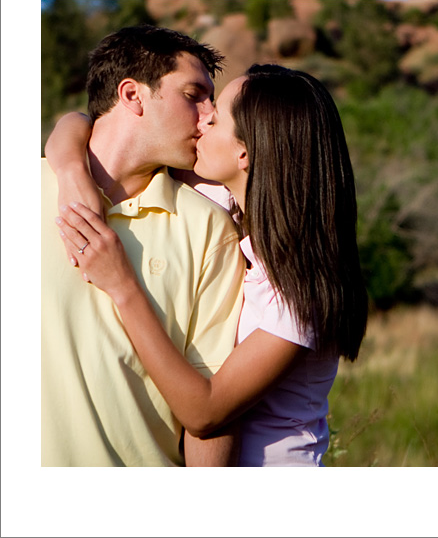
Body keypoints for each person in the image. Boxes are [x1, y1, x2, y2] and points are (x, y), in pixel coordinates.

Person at [48, 64, 369, 466]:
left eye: (214, 118)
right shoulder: (229, 206)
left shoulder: (299, 292)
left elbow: (205, 413)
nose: (201, 122)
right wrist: (70, 169)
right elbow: (83, 122)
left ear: (244, 153)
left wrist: (123, 286)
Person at [42, 25, 245, 466]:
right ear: (132, 95)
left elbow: (210, 413)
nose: (209, 115)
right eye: (194, 94)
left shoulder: (211, 230)